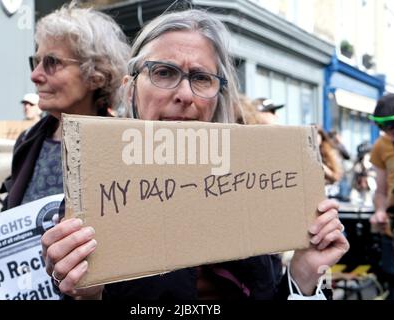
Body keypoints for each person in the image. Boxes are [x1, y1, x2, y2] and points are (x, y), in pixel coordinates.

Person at [41, 9, 349, 300]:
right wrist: (86, 294)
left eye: (201, 78)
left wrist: (303, 277)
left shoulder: (252, 185)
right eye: (163, 72)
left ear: (218, 96)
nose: (185, 95)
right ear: (130, 88)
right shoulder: (95, 191)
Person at [0, 4, 130, 231]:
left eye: (52, 63)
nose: (35, 76)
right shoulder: (30, 141)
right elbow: (15, 225)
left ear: (96, 74)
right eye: (36, 62)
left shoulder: (123, 149)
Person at [368, 94, 394, 299]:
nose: (390, 131)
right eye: (384, 127)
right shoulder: (381, 146)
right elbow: (380, 191)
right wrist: (380, 210)